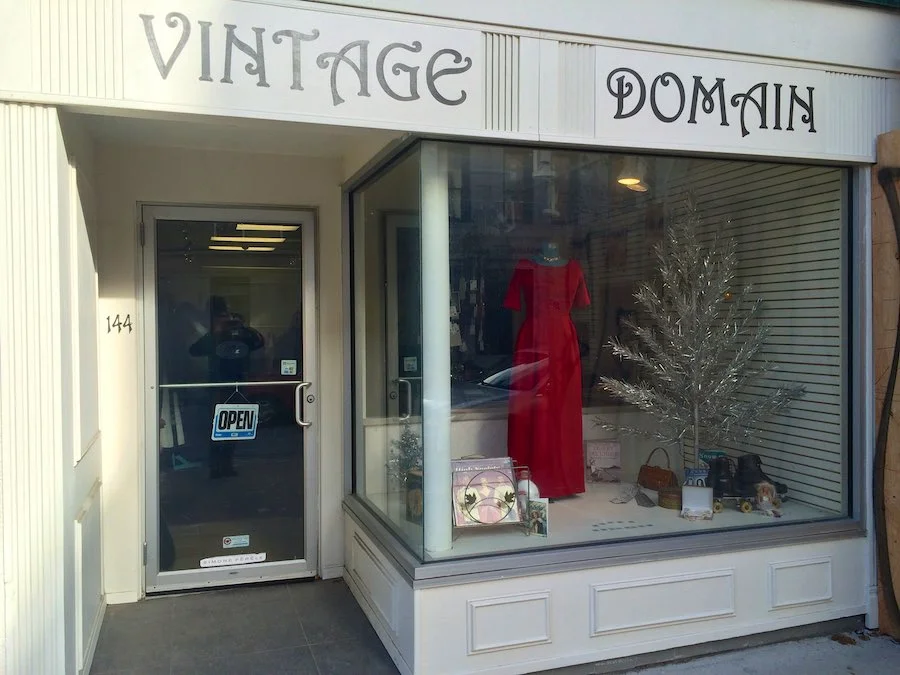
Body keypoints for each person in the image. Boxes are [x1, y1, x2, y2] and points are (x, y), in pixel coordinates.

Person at [189, 296, 265, 478]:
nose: (227, 321)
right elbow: (194, 351)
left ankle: (227, 464)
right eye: (221, 315)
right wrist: (216, 332)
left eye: (228, 316)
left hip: (238, 383)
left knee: (234, 425)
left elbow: (259, 342)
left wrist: (243, 328)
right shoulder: (214, 334)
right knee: (217, 427)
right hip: (218, 385)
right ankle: (216, 466)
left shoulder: (241, 332)